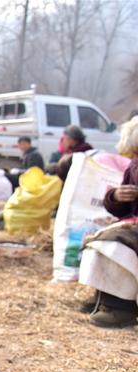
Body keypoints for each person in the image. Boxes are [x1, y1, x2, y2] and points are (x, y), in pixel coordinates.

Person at [78, 117, 138, 328]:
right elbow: (118, 208)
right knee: (98, 238)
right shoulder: (133, 167)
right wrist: (117, 196)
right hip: (132, 222)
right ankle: (105, 296)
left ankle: (122, 307)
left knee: (116, 241)